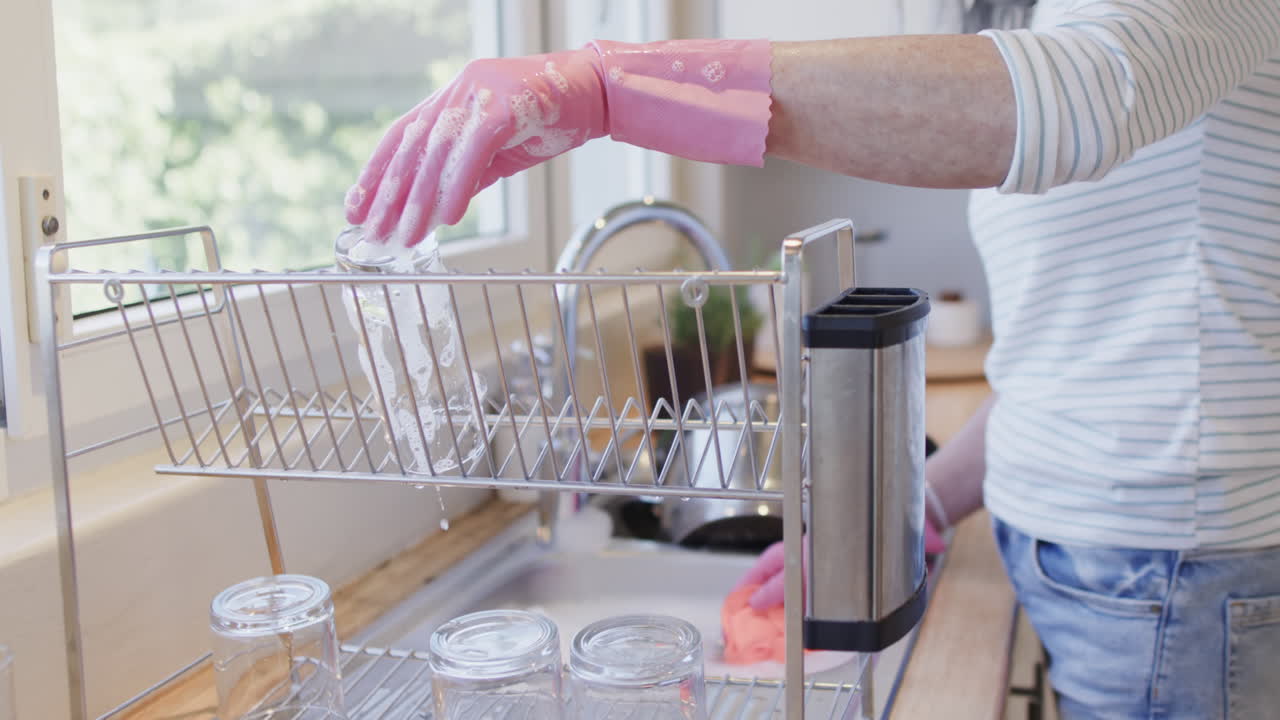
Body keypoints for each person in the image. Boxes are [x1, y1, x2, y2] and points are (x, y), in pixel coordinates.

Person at [346, 1, 1280, 717]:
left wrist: (614, 86)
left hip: (1170, 571)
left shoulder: (1111, 44)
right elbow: (1083, 357)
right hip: (1101, 560)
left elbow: (1072, 97)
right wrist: (924, 504)